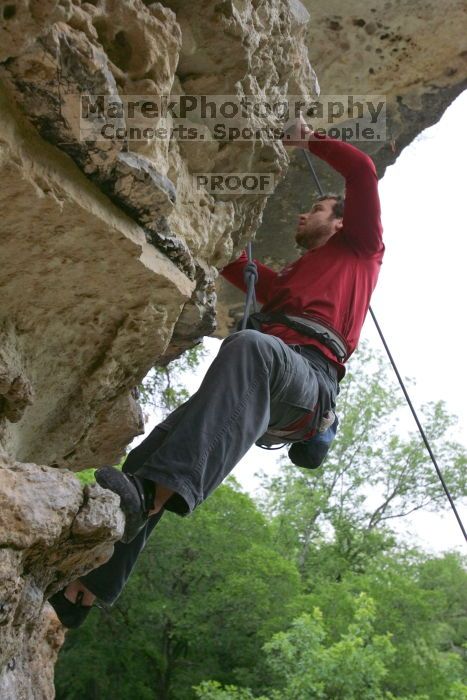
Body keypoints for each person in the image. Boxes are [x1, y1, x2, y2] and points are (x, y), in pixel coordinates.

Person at [48, 119, 384, 628]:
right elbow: (232, 265)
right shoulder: (291, 280)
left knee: (250, 345)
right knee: (155, 450)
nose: (303, 211)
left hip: (309, 384)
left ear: (339, 222)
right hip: (273, 384)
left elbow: (361, 171)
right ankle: (85, 591)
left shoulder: (361, 248)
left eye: (314, 208)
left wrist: (305, 138)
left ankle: (148, 498)